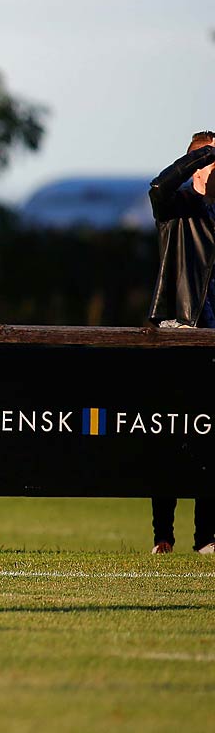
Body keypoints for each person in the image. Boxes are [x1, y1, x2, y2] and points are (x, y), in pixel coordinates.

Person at [143, 131, 215, 555]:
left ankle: (206, 537)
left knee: (210, 438)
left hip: (211, 333)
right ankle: (162, 535)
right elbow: (158, 186)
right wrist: (200, 157)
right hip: (178, 327)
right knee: (170, 434)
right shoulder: (178, 205)